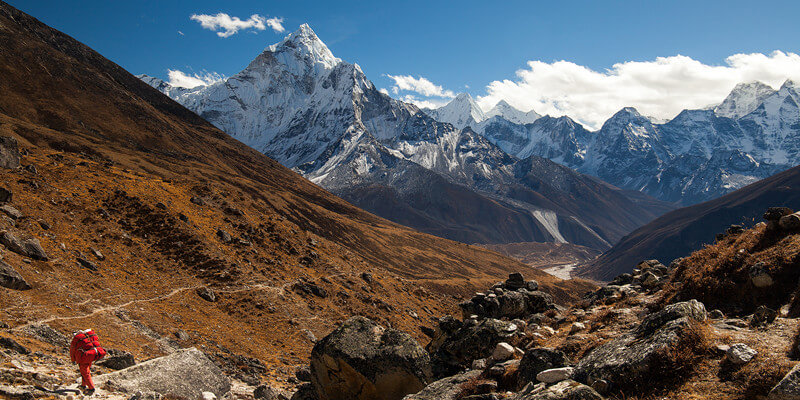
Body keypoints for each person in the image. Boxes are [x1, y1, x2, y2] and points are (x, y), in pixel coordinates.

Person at [69, 329, 106, 395]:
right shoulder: (88, 336)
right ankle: (83, 385)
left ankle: (91, 388)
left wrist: (73, 360)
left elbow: (72, 350)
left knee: (85, 372)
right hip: (92, 354)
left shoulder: (76, 339)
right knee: (86, 370)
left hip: (84, 357)